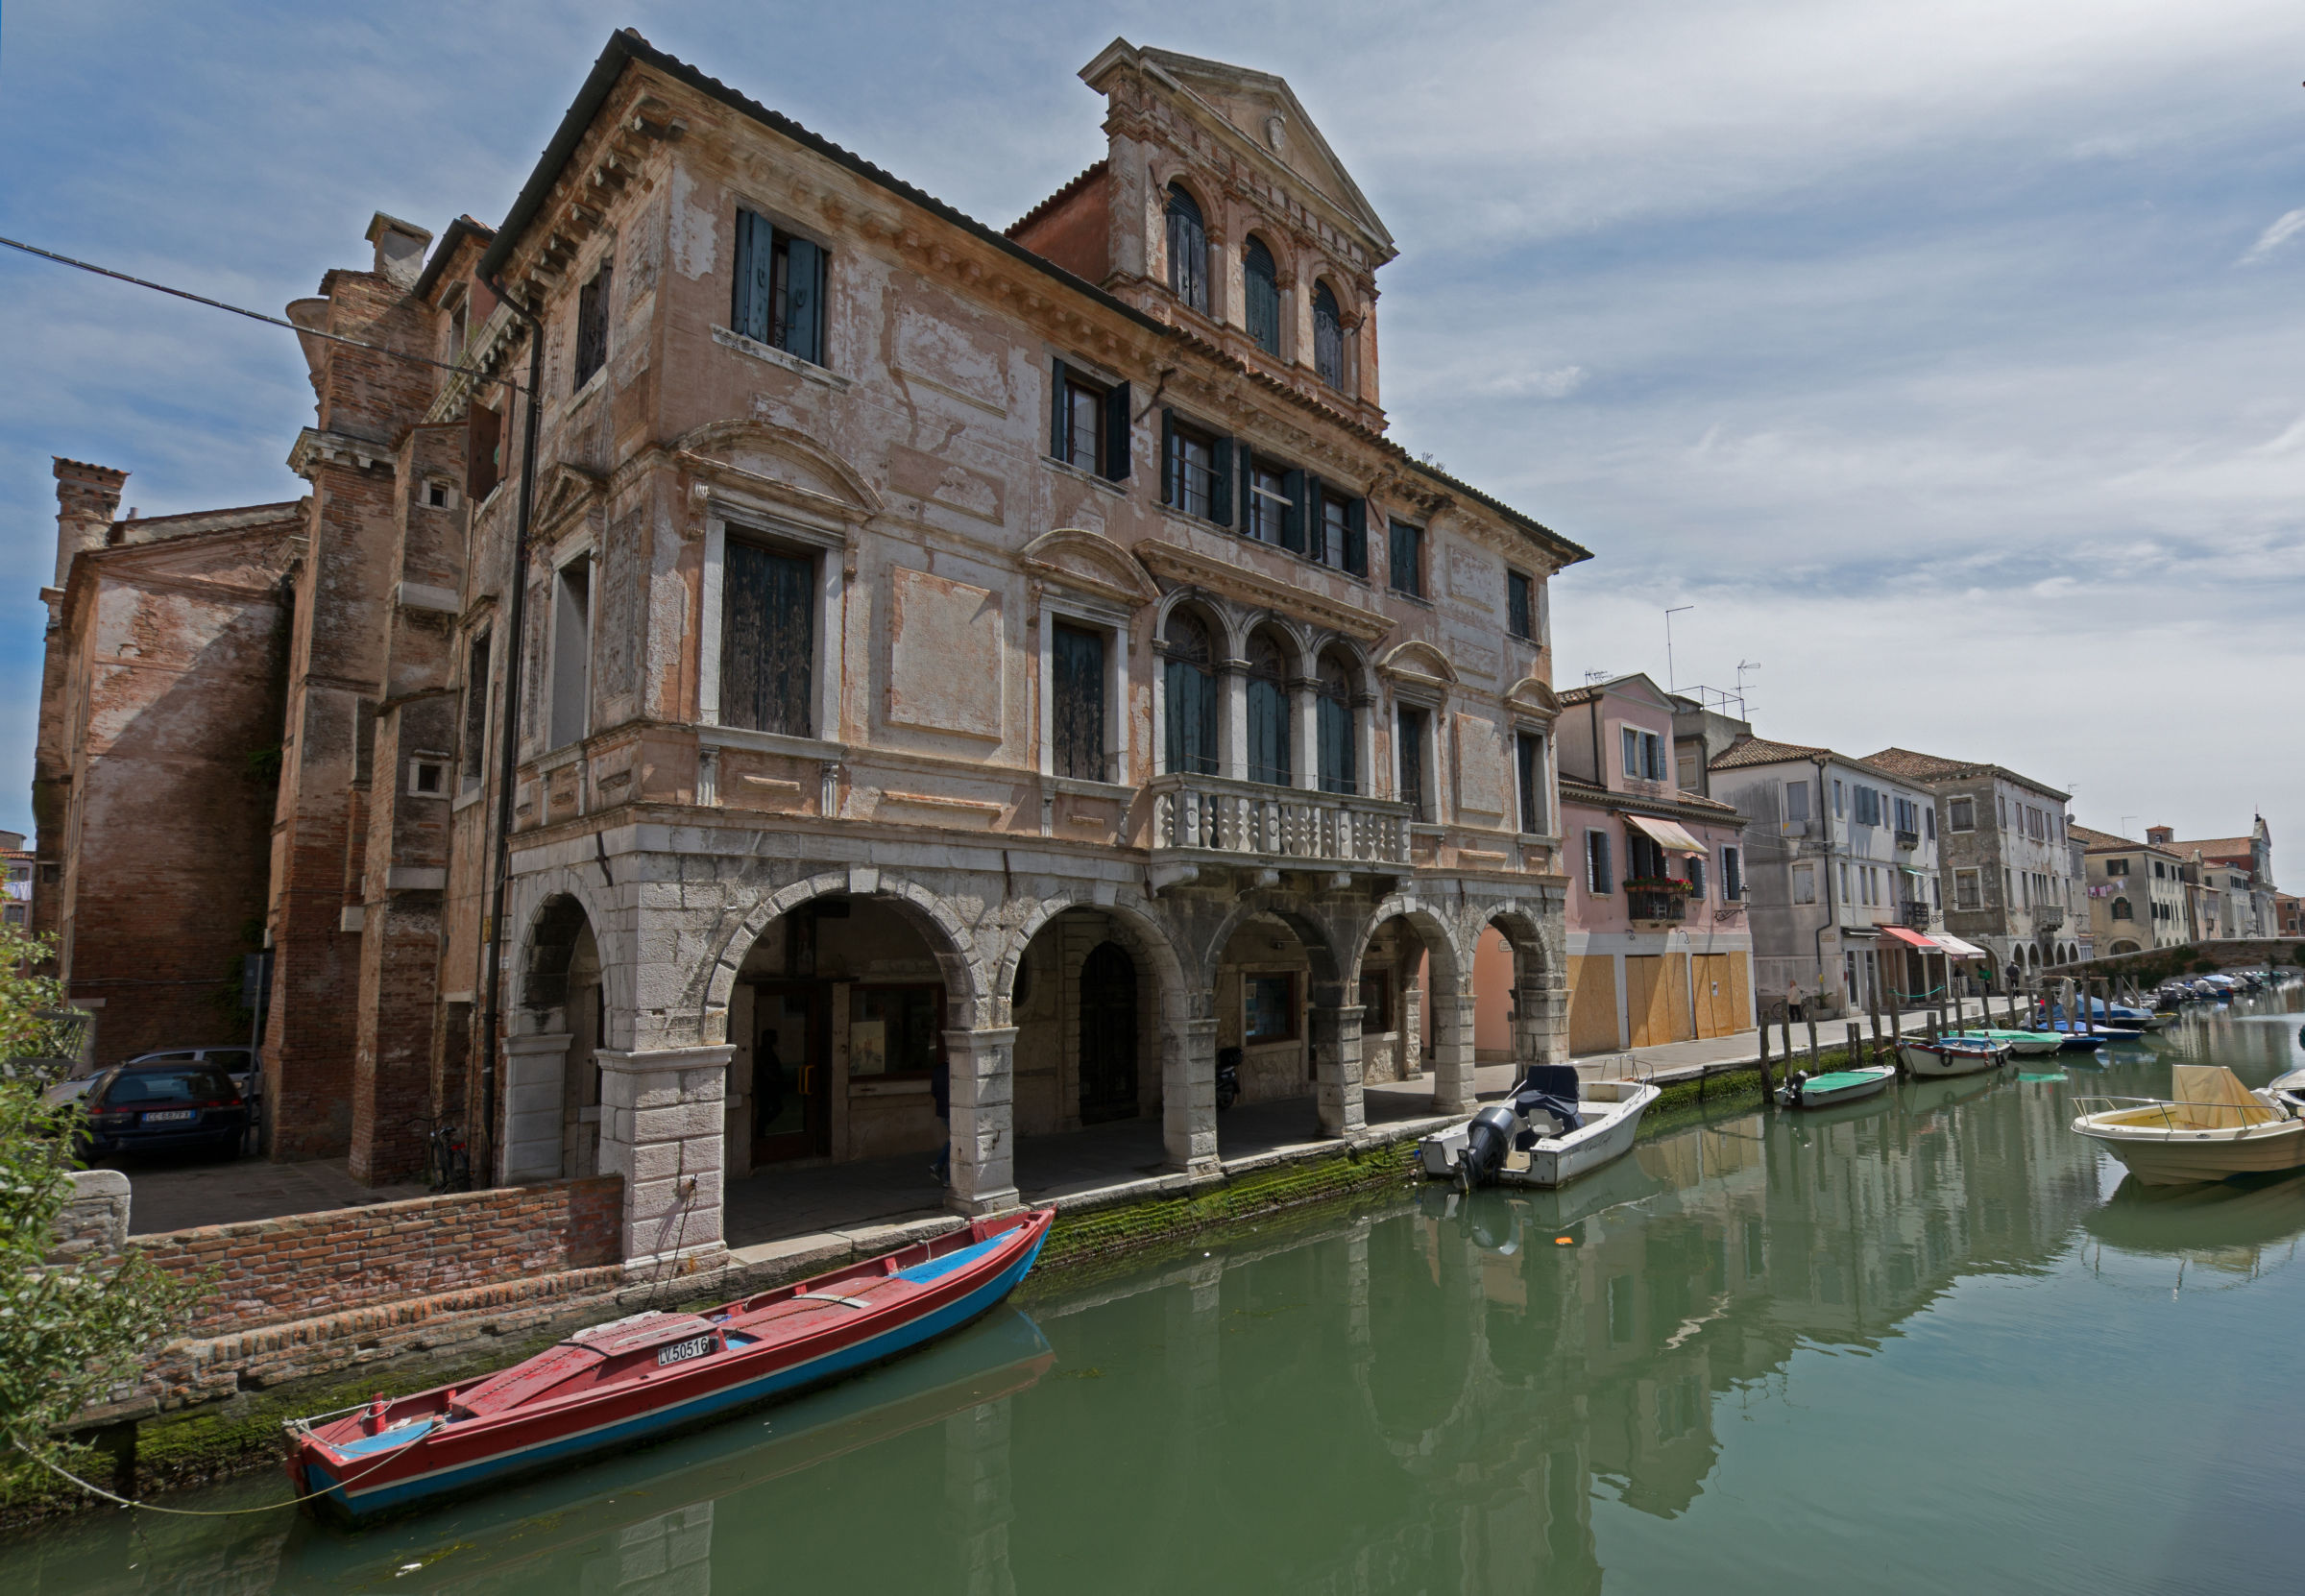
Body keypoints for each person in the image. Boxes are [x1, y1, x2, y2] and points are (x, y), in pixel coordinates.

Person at [752, 1030, 786, 1140]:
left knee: (773, 1109)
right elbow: (765, 1070)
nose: (776, 1038)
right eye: (773, 1036)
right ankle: (759, 1129)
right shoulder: (763, 1052)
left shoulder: (769, 1051)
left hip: (770, 1086)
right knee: (768, 1109)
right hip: (766, 1087)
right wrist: (775, 1080)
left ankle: (760, 1129)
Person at [929, 1052, 951, 1184]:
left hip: (942, 1111)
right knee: (955, 1142)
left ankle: (939, 1167)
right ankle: (941, 1169)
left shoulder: (938, 1070)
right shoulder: (956, 1070)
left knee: (954, 1141)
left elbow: (934, 1092)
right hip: (954, 1111)